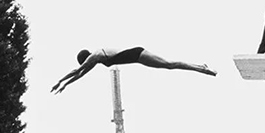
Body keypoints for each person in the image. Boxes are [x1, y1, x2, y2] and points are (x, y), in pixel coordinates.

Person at [51, 47, 216, 94]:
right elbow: (80, 74)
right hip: (138, 58)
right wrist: (66, 85)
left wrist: (60, 81)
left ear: (86, 58)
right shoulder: (96, 60)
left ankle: (200, 68)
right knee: (169, 65)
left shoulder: (95, 56)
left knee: (169, 64)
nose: (87, 66)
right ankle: (200, 67)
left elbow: (77, 71)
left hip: (137, 54)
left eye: (85, 63)